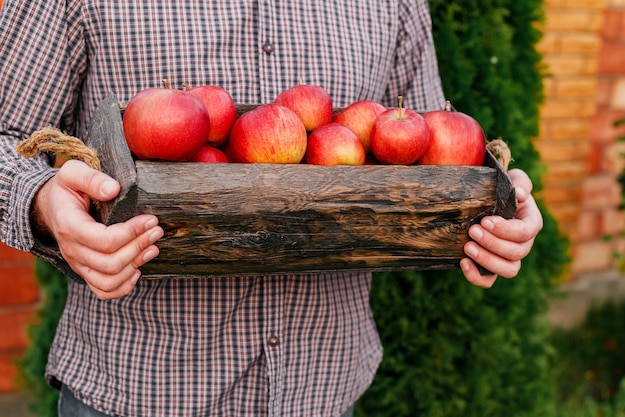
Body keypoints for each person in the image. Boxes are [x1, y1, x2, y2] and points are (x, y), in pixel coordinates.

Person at [0, 1, 543, 416]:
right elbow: (7, 139)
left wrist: (496, 203)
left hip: (324, 388)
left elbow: (426, 147)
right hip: (137, 391)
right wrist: (43, 203)